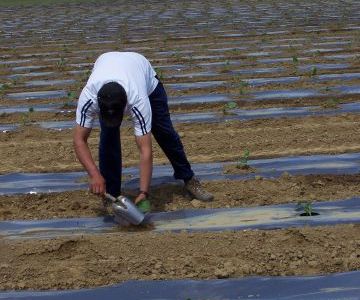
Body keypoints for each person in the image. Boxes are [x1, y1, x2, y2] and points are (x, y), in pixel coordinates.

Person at [73, 52, 214, 212]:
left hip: (145, 78)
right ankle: (111, 195)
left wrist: (143, 191)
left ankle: (189, 178)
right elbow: (79, 140)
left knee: (164, 132)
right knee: (108, 139)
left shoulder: (138, 99)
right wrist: (94, 174)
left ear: (126, 104)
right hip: (107, 64)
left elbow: (145, 149)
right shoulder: (89, 97)